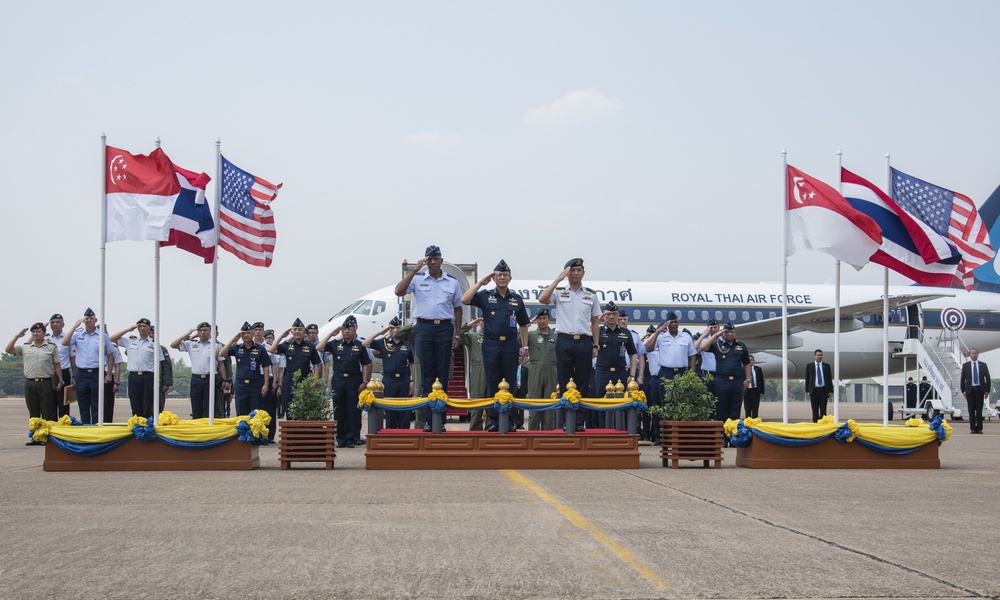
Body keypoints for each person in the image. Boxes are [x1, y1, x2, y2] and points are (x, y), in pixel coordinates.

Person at [394, 245, 463, 432]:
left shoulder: (452, 282)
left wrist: (456, 334)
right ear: (426, 260)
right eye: (429, 259)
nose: (433, 262)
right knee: (426, 376)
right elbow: (399, 291)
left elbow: (458, 308)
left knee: (442, 374)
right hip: (423, 328)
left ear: (441, 260)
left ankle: (439, 419)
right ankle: (427, 420)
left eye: (436, 258)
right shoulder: (417, 279)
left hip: (444, 329)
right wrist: (415, 269)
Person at [461, 259, 530, 432]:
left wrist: (525, 347)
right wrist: (480, 283)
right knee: (493, 382)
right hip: (491, 343)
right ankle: (495, 421)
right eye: (498, 275)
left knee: (511, 382)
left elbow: (523, 325)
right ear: (493, 278)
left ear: (510, 278)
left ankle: (510, 420)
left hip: (510, 344)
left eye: (505, 275)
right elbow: (465, 299)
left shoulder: (516, 299)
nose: (502, 278)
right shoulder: (486, 296)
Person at [538, 258, 601, 432]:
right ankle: (567, 419)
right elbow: (542, 299)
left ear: (583, 272)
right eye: (571, 270)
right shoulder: (559, 291)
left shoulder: (591, 294)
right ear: (567, 272)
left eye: (578, 270)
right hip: (564, 340)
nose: (575, 273)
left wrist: (595, 345)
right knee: (564, 380)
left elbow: (595, 321)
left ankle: (579, 421)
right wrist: (558, 279)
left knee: (583, 381)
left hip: (583, 341)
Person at [317, 316, 372, 447]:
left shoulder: (359, 346)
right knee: (339, 409)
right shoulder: (335, 344)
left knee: (353, 410)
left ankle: (352, 438)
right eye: (344, 329)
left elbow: (365, 364)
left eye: (349, 329)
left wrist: (364, 382)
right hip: (339, 379)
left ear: (354, 330)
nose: (346, 331)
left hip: (354, 379)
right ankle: (340, 438)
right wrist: (331, 334)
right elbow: (319, 348)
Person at [6, 323, 63, 435]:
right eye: (33, 332)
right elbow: (8, 349)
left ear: (44, 333)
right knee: (33, 411)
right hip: (30, 382)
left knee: (47, 410)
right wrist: (17, 336)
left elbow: (57, 365)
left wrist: (60, 380)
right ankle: (35, 436)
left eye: (38, 331)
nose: (35, 334)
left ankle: (46, 436)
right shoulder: (26, 346)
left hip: (45, 382)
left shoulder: (51, 347)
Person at [63, 308, 115, 424]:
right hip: (81, 374)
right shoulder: (77, 334)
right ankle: (86, 429)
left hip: (97, 373)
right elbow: (64, 342)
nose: (89, 320)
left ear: (95, 320)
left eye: (91, 318)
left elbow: (111, 355)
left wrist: (109, 374)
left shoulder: (102, 335)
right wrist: (74, 326)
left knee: (97, 405)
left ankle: (96, 429)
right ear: (83, 320)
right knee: (83, 405)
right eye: (86, 318)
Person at [592, 302, 637, 429]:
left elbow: (633, 354)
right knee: (601, 403)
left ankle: (619, 432)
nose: (611, 317)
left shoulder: (625, 333)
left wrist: (632, 374)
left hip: (620, 372)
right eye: (608, 314)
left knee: (620, 404)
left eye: (614, 314)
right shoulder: (598, 331)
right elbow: (587, 334)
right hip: (602, 372)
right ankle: (601, 433)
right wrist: (598, 319)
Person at [365, 316, 415, 429]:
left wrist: (412, 381)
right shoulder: (383, 343)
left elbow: (412, 363)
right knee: (389, 409)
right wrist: (380, 332)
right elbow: (365, 343)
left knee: (404, 409)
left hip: (404, 380)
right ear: (389, 329)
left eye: (398, 327)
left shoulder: (407, 344)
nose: (395, 330)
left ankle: (404, 436)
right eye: (392, 328)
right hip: (389, 380)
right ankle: (390, 435)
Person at [698, 322, 750, 424]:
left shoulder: (741, 346)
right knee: (722, 409)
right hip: (722, 381)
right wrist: (716, 335)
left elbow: (746, 363)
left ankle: (733, 436)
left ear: (735, 333)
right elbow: (703, 347)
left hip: (737, 381)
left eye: (732, 332)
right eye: (727, 332)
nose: (730, 334)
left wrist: (747, 379)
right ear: (723, 333)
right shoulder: (717, 345)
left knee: (735, 410)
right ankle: (723, 438)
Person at [172, 322, 226, 419]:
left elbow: (221, 363)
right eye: (200, 331)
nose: (203, 332)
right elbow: (173, 345)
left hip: (211, 379)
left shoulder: (216, 345)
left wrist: (224, 379)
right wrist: (186, 335)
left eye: (205, 330)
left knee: (210, 408)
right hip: (196, 379)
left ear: (210, 332)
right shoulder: (191, 344)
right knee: (196, 408)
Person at [110, 318, 163, 418]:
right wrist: (128, 329)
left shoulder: (155, 344)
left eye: (145, 326)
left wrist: (158, 380)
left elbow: (158, 363)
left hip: (148, 377)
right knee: (135, 403)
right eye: (140, 326)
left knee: (147, 404)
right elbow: (112, 338)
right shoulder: (130, 341)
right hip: (134, 376)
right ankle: (137, 427)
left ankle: (147, 427)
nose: (142, 328)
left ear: (149, 328)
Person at [272, 318, 322, 421]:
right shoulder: (287, 345)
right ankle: (290, 435)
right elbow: (272, 349)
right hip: (290, 380)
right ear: (292, 332)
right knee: (289, 407)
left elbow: (317, 364)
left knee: (305, 408)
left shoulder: (310, 347)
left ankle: (302, 434)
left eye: (300, 329)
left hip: (305, 380)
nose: (297, 332)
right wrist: (282, 336)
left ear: (304, 332)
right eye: (295, 329)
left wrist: (315, 380)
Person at [220, 322, 271, 416]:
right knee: (241, 413)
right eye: (244, 333)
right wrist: (233, 339)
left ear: (253, 334)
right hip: (241, 385)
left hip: (255, 384)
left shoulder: (260, 349)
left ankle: (253, 431)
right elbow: (222, 353)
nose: (246, 335)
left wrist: (266, 384)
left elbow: (266, 367)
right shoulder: (237, 348)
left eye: (248, 333)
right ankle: (242, 431)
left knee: (255, 413)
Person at [526, 309, 558, 430]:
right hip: (535, 370)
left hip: (551, 371)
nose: (542, 321)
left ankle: (548, 438)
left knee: (550, 406)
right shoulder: (531, 335)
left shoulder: (555, 336)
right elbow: (517, 340)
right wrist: (526, 326)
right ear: (536, 320)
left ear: (548, 319)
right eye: (539, 318)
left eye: (544, 318)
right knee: (534, 404)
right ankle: (532, 436)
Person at [458, 318, 487, 430]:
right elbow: (457, 335)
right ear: (479, 323)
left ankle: (490, 428)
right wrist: (469, 325)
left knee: (492, 400)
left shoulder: (494, 337)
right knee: (477, 400)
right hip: (477, 370)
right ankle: (475, 429)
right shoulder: (473, 336)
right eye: (483, 321)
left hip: (491, 370)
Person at [45, 314, 73, 418]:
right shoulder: (45, 338)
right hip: (49, 374)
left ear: (63, 324)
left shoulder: (68, 338)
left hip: (64, 373)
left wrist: (74, 376)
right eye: (52, 322)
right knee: (50, 404)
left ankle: (64, 429)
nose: (55, 324)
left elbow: (72, 358)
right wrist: (43, 326)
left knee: (64, 405)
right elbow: (29, 343)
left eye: (58, 322)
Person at [960, 348, 991, 434]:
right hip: (970, 390)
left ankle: (979, 428)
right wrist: (963, 390)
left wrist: (987, 390)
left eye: (975, 353)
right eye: (972, 353)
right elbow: (963, 379)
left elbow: (987, 378)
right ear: (970, 355)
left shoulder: (983, 365)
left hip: (980, 390)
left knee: (979, 410)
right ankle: (972, 428)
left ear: (978, 354)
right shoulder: (966, 366)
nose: (974, 355)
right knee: (971, 410)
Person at [804, 349, 833, 423]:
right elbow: (807, 379)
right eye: (818, 355)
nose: (819, 357)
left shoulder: (826, 366)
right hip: (814, 391)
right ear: (814, 356)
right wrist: (807, 390)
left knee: (823, 410)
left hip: (824, 390)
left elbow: (829, 379)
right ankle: (815, 424)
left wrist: (830, 390)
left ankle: (822, 425)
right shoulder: (809, 366)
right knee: (814, 409)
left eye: (821, 355)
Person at [743, 355, 765, 419]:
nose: (750, 361)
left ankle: (755, 424)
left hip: (755, 391)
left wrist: (762, 392)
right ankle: (748, 424)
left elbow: (761, 381)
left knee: (755, 409)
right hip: (747, 391)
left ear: (754, 361)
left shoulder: (758, 369)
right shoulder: (743, 370)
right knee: (747, 409)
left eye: (751, 360)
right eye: (748, 360)